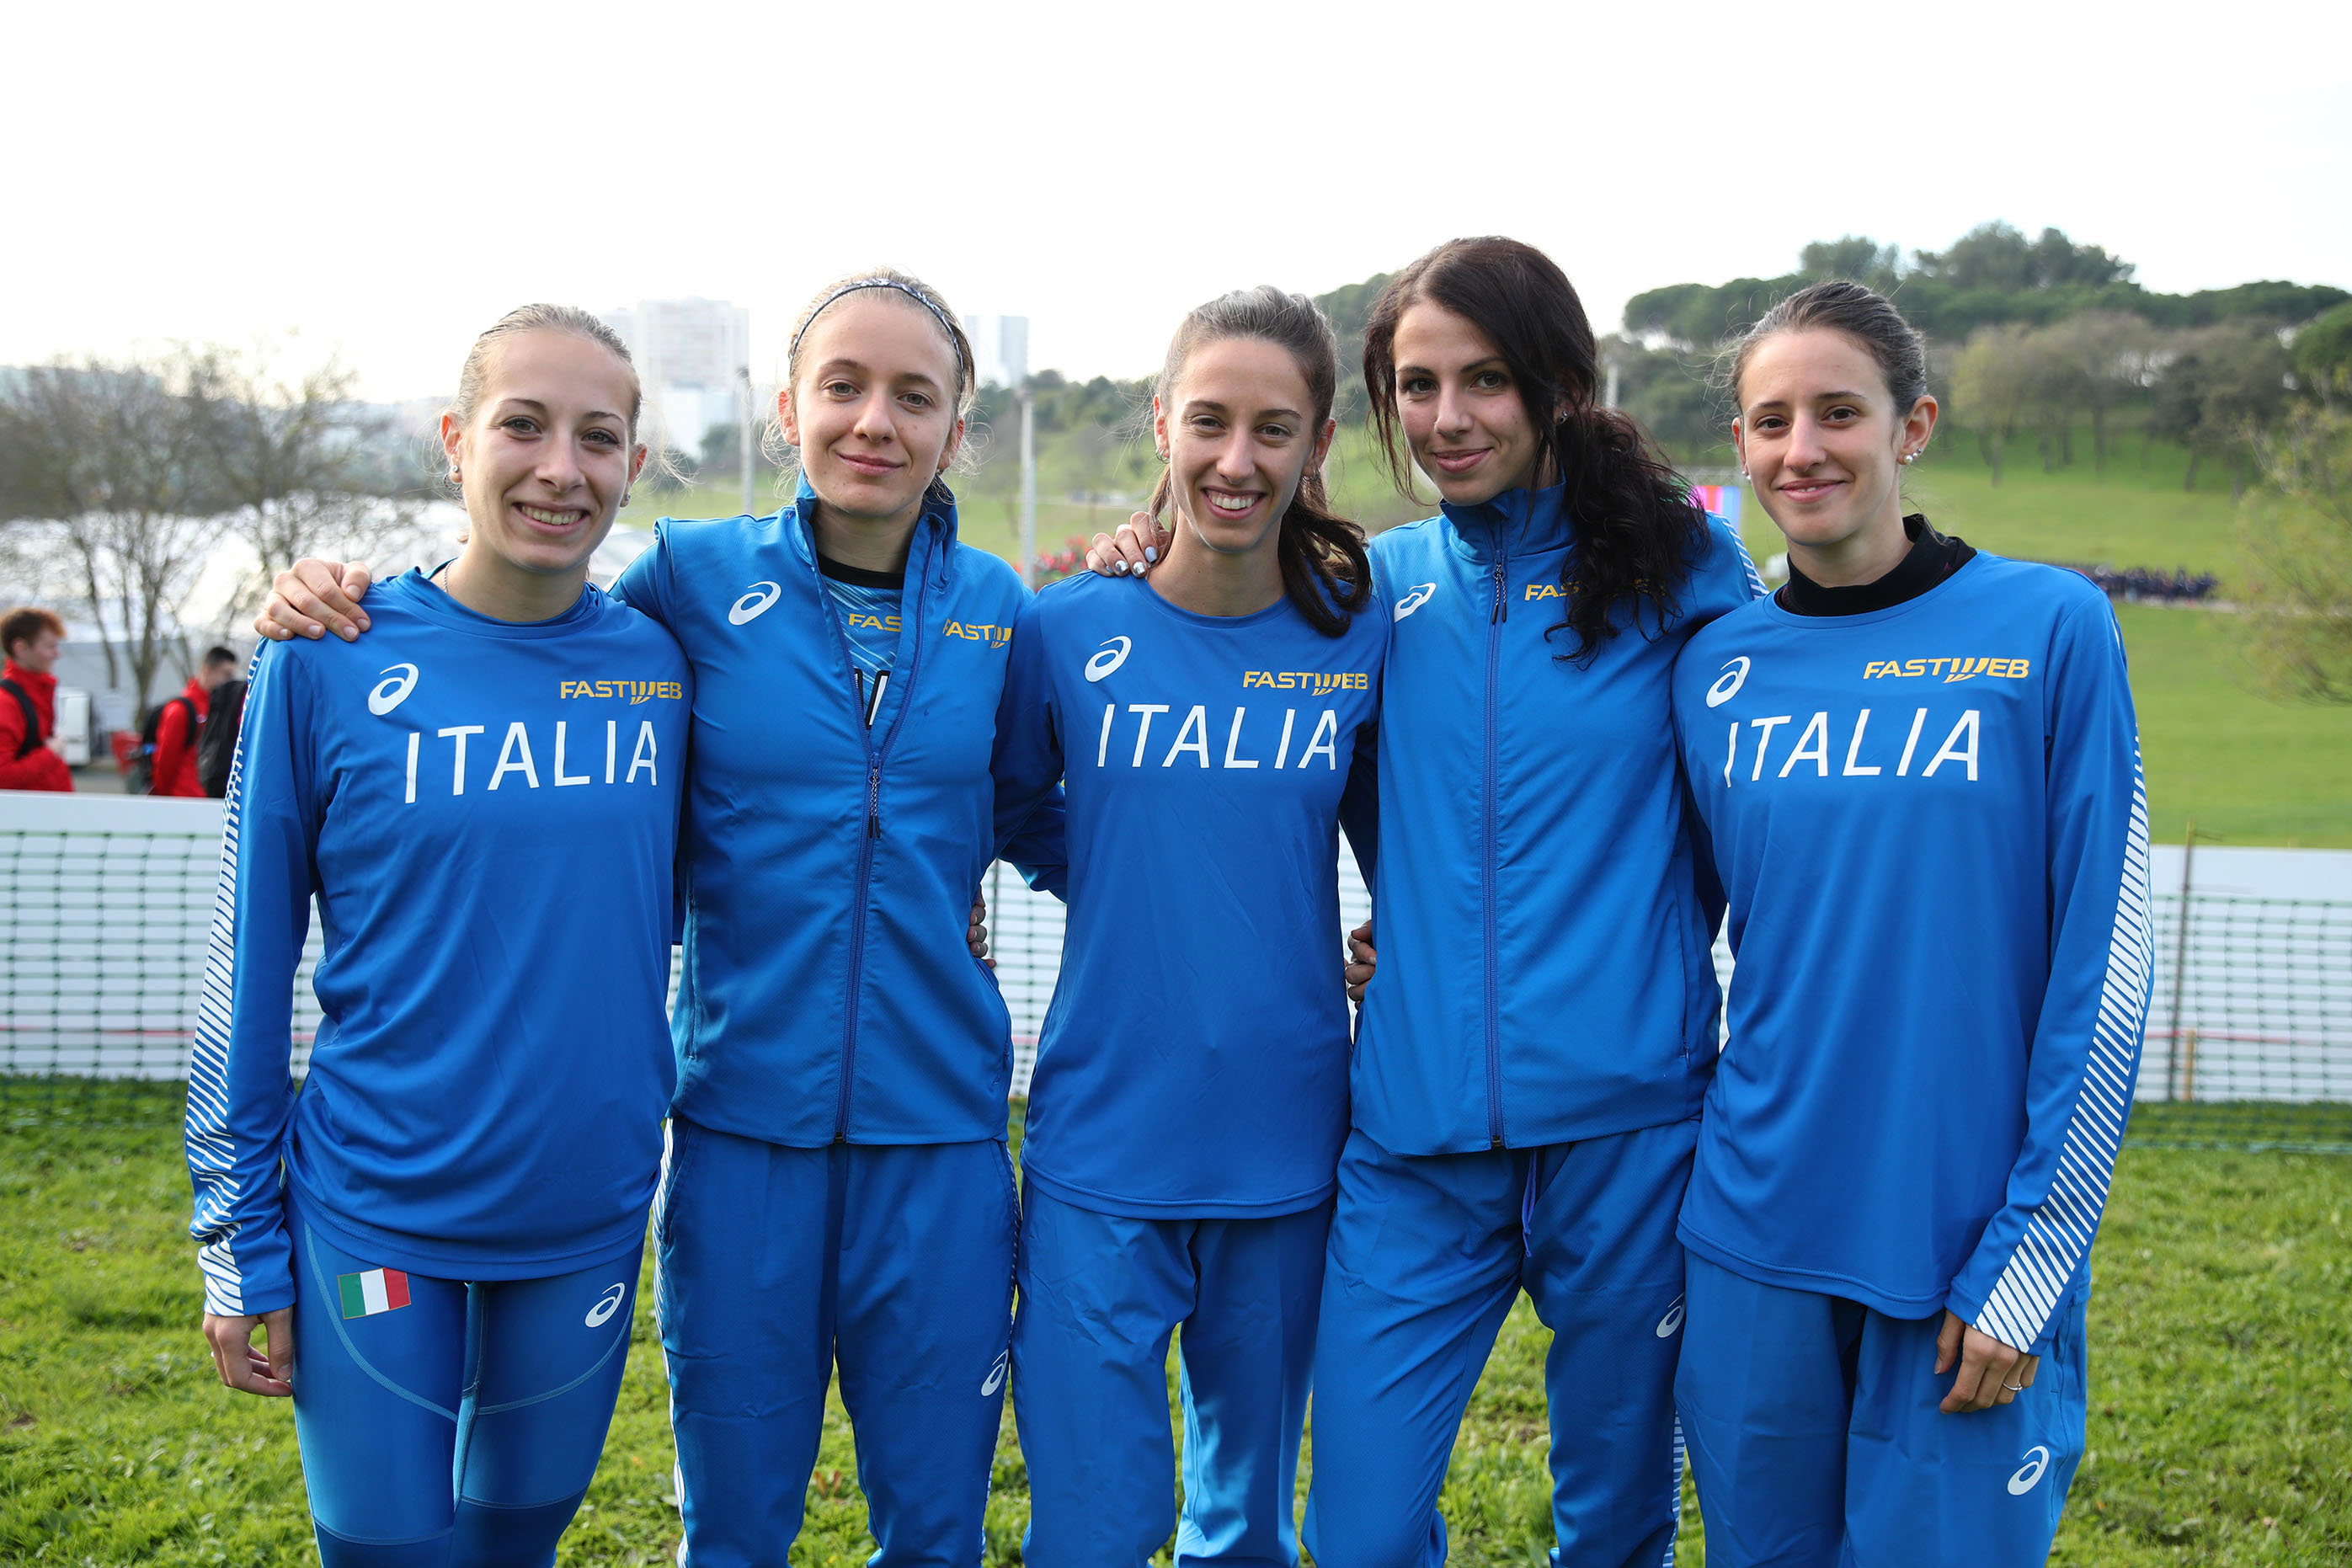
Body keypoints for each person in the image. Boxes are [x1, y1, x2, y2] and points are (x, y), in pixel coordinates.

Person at [255, 268, 1064, 1568]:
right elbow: (522, 643)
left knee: (937, 1531)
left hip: (940, 1139)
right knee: (732, 1531)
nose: (874, 420)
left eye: (914, 397)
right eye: (843, 386)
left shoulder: (1000, 609)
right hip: (740, 1131)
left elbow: (1034, 810)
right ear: (787, 409)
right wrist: (334, 593)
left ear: (955, 429)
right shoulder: (685, 581)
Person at [1091, 237, 1762, 1567]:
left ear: (1559, 384)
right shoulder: (1366, 591)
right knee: (1358, 1528)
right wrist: (1142, 555)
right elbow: (1230, 691)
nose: (1448, 417)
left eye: (1486, 380)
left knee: (1615, 1520)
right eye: (1416, 386)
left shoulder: (1686, 573)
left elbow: (1748, 830)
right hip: (1411, 1137)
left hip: (1629, 1130)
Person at [187, 303, 691, 1566]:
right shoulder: (327, 656)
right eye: (523, 425)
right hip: (377, 1210)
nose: (560, 468)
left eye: (598, 437)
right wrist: (237, 1239)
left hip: (584, 1210)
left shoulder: (668, 669)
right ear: (456, 440)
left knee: (516, 1546)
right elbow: (245, 963)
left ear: (633, 465)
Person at [1667, 280, 2149, 1565]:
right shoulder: (1714, 669)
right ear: (1741, 445)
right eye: (1772, 420)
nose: (1802, 448)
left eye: (1838, 411)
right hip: (1754, 1230)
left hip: (1961, 1237)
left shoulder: (2049, 627)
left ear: (1911, 425)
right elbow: (1645, 912)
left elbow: (2104, 965)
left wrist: (2031, 1255)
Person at [991, 286, 1381, 1567]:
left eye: (1274, 429)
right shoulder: (1064, 629)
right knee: (1092, 1527)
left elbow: (1419, 829)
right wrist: (1118, 871)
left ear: (1318, 445)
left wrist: (1403, 937)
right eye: (1209, 420)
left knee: (1246, 1528)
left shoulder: (1358, 632)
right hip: (1102, 1142)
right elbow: (1005, 805)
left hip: (1286, 1141)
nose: (1236, 459)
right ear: (1162, 421)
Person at [0, 607, 75, 792]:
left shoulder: (37, 692)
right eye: (50, 646)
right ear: (21, 648)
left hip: (46, 807)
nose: (58, 654)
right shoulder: (6, 703)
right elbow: (3, 776)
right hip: (30, 810)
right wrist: (51, 753)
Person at [150, 644, 239, 797]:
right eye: (226, 674)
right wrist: (163, 799)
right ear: (207, 670)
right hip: (184, 799)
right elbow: (165, 761)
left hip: (209, 796)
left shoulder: (220, 709)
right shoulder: (180, 710)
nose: (229, 681)